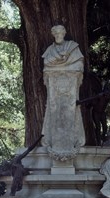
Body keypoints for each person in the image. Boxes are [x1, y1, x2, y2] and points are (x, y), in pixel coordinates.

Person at [41, 25, 85, 161]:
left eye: (61, 33)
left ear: (64, 33)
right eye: (56, 33)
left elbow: (79, 65)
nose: (59, 35)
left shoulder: (73, 47)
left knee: (71, 110)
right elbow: (47, 65)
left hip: (71, 87)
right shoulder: (50, 51)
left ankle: (70, 142)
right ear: (53, 35)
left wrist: (66, 66)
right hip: (54, 88)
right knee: (54, 109)